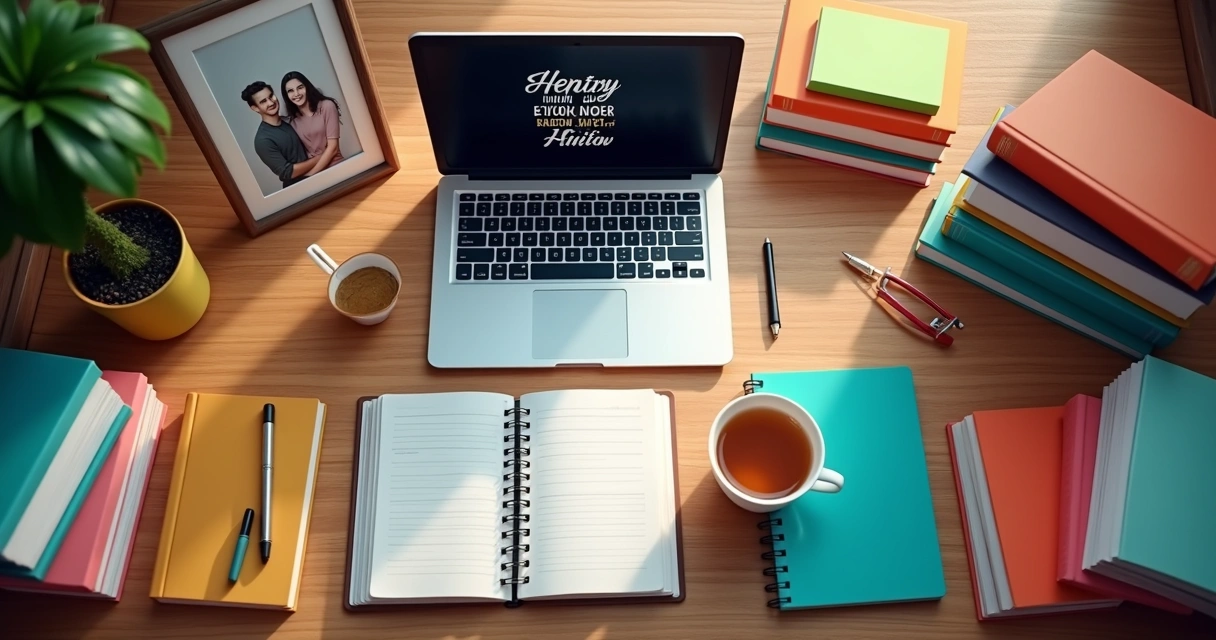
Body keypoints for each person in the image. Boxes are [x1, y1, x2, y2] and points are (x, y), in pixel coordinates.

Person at [240, 81, 322, 190]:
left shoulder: (290, 121)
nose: (271, 102)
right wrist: (322, 157)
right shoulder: (263, 140)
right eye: (263, 101)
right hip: (299, 189)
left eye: (271, 96)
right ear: (255, 108)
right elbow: (287, 172)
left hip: (319, 178)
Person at [281, 71, 344, 176]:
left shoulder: (326, 106)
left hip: (335, 167)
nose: (296, 94)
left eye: (300, 87)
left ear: (307, 87)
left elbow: (333, 148)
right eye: (291, 91)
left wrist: (310, 176)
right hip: (311, 172)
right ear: (286, 96)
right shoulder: (292, 121)